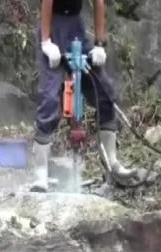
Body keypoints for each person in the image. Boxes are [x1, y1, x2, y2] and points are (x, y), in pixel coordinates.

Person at [30, 0, 137, 192]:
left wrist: (99, 44)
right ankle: (40, 173)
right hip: (53, 25)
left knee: (104, 91)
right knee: (50, 98)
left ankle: (111, 162)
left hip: (75, 28)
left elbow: (99, 3)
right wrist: (46, 41)